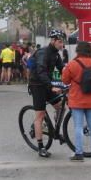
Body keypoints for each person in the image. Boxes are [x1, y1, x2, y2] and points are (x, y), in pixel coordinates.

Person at [61, 40, 91, 161]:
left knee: (78, 127)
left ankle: (79, 153)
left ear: (78, 51)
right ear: (90, 51)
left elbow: (65, 80)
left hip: (76, 100)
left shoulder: (72, 64)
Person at [27, 28, 67, 158]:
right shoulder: (43, 52)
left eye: (63, 42)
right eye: (60, 42)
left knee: (61, 106)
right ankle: (40, 147)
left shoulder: (56, 54)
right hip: (37, 85)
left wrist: (73, 81)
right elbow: (41, 72)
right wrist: (51, 86)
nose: (62, 45)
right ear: (53, 40)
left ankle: (54, 131)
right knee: (40, 114)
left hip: (47, 85)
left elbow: (62, 69)